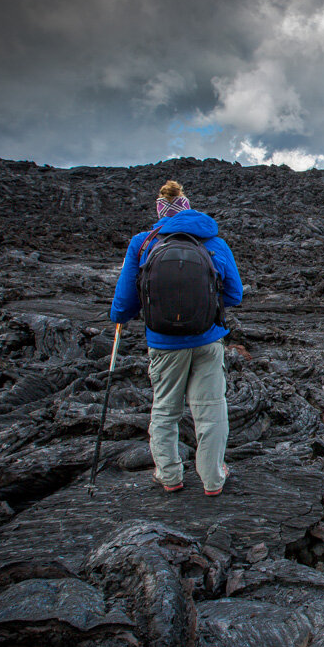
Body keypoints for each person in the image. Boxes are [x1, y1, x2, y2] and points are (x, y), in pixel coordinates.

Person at [110, 181, 243, 496]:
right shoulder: (214, 242)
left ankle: (169, 476)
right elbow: (235, 294)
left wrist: (118, 317)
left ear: (160, 211)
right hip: (207, 339)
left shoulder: (143, 243)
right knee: (210, 408)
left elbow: (126, 299)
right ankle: (213, 478)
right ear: (187, 207)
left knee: (165, 408)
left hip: (164, 342)